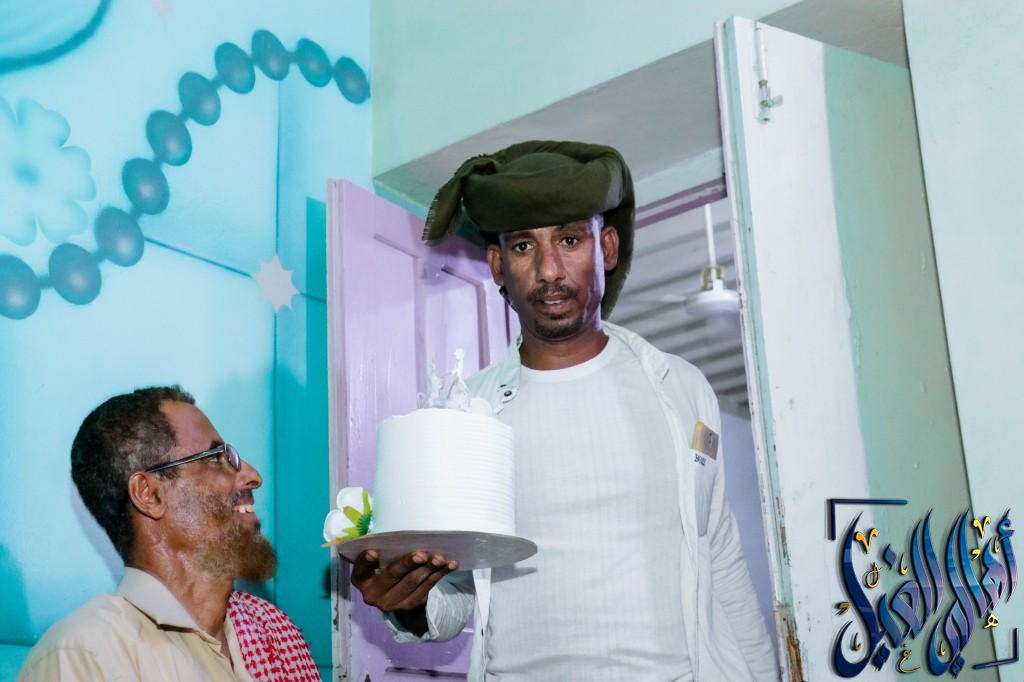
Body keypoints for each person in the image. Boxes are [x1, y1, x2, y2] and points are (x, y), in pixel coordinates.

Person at [350, 141, 777, 681]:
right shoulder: (467, 418)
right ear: (498, 265)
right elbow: (455, 588)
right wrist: (408, 603)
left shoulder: (681, 388)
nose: (549, 270)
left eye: (570, 240)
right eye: (523, 246)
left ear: (608, 247)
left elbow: (721, 558)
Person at [19, 386, 320, 681]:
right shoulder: (86, 655)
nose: (253, 476)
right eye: (216, 457)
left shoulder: (273, 634)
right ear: (149, 494)